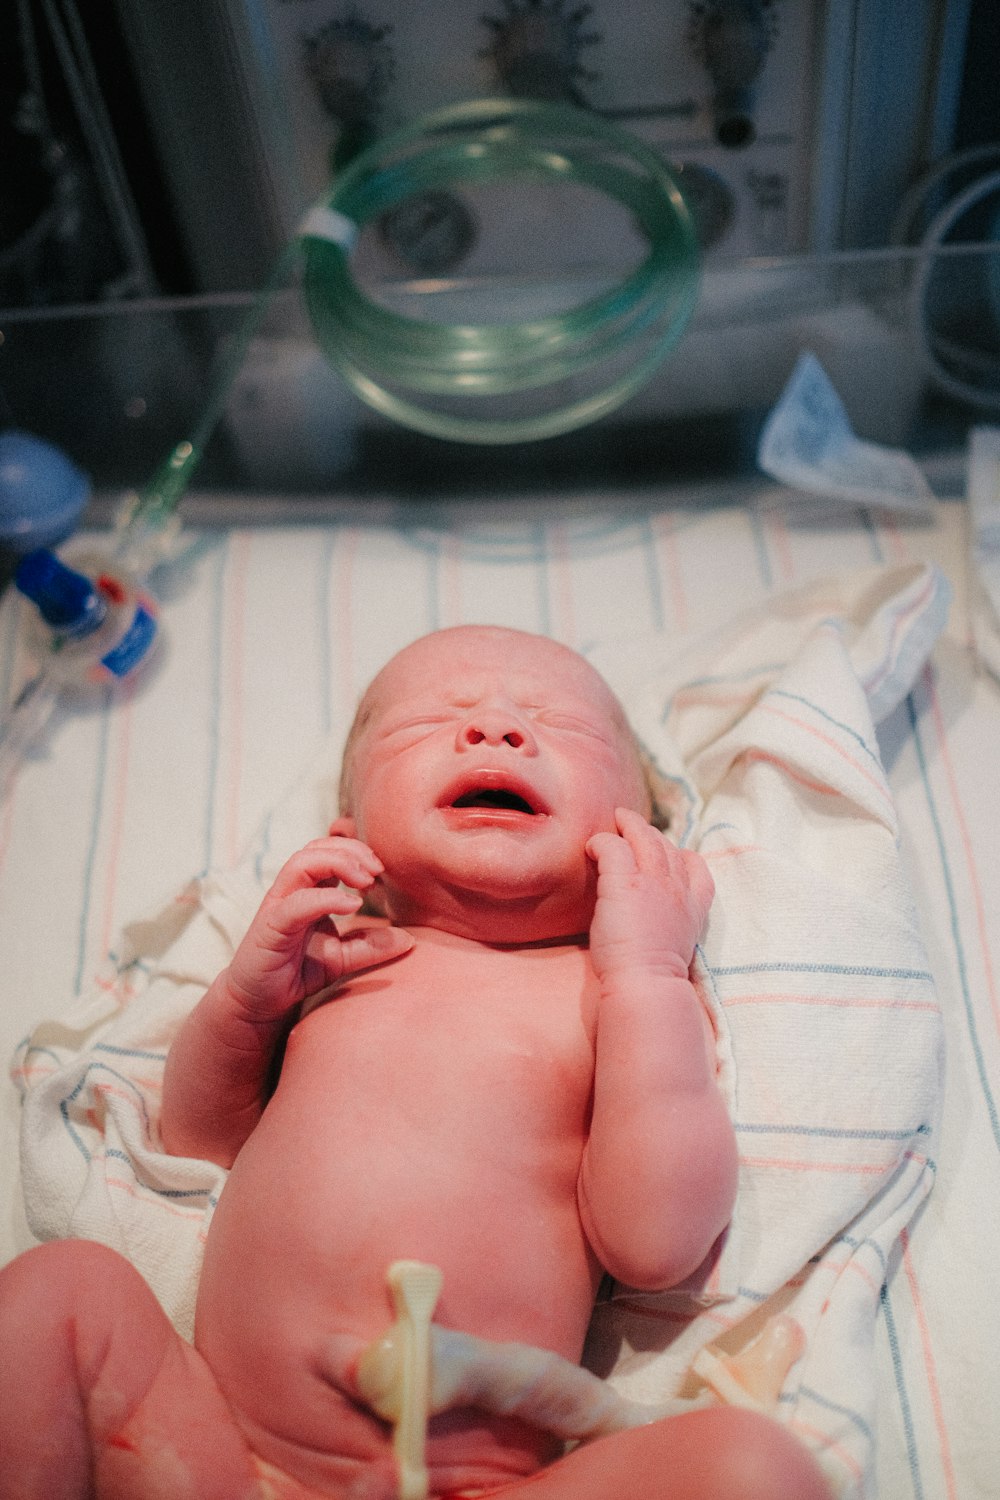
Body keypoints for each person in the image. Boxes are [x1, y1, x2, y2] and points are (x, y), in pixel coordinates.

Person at [0, 625, 832, 1500]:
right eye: (431, 723)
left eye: (562, 726)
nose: (498, 731)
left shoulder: (615, 992)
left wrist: (650, 970)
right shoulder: (337, 954)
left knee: (755, 1471)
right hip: (222, 1456)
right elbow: (199, 1145)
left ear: (644, 836)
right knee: (63, 1295)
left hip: (474, 1482)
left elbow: (657, 1241)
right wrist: (247, 1001)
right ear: (348, 832)